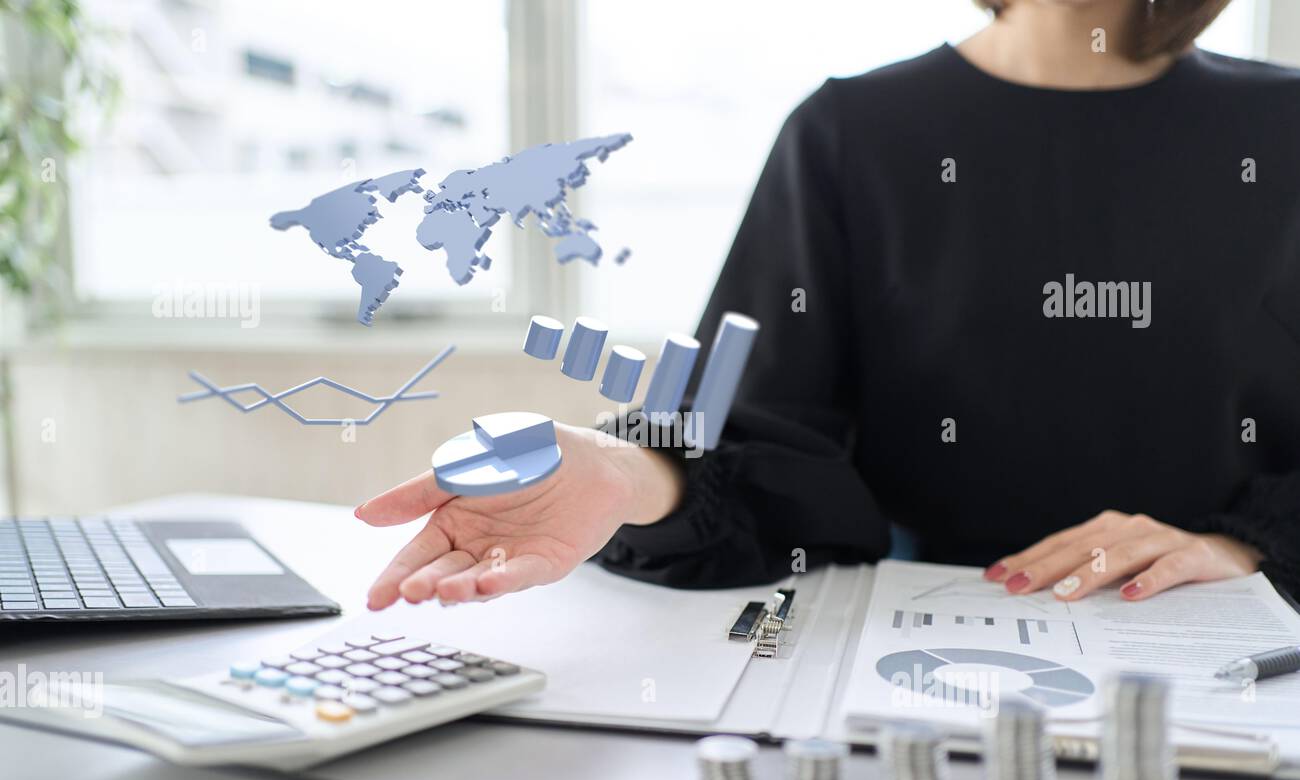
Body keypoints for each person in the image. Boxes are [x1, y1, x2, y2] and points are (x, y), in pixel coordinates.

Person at [357, 0, 1300, 612]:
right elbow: (758, 437)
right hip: (919, 653)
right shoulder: (852, 134)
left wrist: (1246, 544)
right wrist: (627, 472)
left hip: (1222, 655)